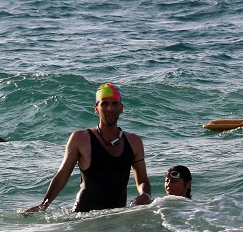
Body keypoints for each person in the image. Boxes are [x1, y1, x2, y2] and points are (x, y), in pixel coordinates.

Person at [24, 83, 152, 213]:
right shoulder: (80, 138)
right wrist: (44, 204)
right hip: (83, 215)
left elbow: (142, 181)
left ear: (121, 108)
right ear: (96, 108)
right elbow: (62, 175)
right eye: (104, 103)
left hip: (116, 215)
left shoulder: (134, 142)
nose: (109, 108)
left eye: (114, 103)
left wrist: (145, 195)